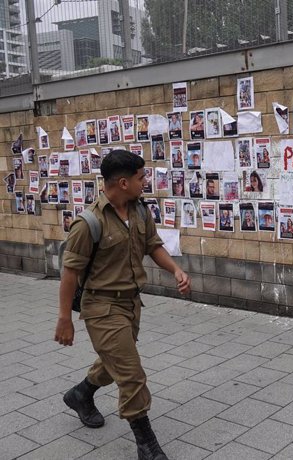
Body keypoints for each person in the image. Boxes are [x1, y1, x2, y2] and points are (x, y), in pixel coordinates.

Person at [55, 150, 191, 460]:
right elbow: (70, 273)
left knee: (115, 361)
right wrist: (64, 318)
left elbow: (153, 246)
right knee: (131, 374)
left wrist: (176, 270)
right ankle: (147, 445)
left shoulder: (140, 212)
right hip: (101, 308)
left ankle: (80, 394)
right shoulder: (88, 223)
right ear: (123, 182)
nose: (146, 182)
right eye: (142, 177)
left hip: (131, 304)